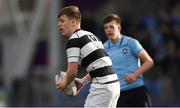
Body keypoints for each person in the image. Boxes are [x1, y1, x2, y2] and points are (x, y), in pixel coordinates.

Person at [57, 6, 120, 108]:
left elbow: (72, 71)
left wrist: (65, 84)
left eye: (62, 21)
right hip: (114, 85)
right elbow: (102, 66)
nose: (59, 24)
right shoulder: (91, 35)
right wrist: (82, 82)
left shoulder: (73, 40)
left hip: (102, 87)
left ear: (73, 22)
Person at [102, 13, 154, 107]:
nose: (108, 30)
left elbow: (149, 61)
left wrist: (134, 75)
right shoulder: (103, 48)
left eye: (111, 27)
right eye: (106, 28)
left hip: (137, 90)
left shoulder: (131, 42)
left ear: (119, 28)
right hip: (118, 95)